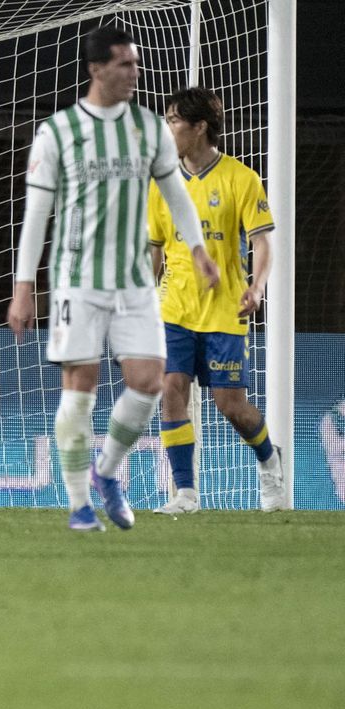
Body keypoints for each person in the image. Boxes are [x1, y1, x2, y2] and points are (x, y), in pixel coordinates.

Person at [7, 24, 218, 531]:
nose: (134, 72)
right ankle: (80, 504)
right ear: (97, 68)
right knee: (80, 387)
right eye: (124, 63)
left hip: (133, 280)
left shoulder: (148, 128)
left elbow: (176, 197)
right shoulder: (57, 132)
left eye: (135, 63)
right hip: (77, 279)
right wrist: (23, 286)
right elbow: (38, 214)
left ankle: (106, 472)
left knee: (150, 382)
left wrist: (198, 249)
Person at [147, 85, 284, 514]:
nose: (167, 128)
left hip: (225, 309)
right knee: (171, 388)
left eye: (173, 120)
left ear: (199, 126)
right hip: (175, 307)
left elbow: (261, 242)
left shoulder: (241, 178)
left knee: (232, 407)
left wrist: (257, 287)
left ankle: (269, 458)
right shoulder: (160, 184)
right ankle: (185, 493)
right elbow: (154, 250)